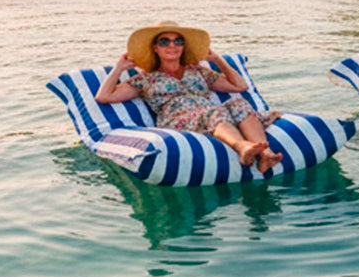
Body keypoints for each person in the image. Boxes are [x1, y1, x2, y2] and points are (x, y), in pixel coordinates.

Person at [95, 21, 283, 171]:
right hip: (178, 119)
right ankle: (242, 147)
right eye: (164, 41)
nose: (172, 45)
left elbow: (240, 86)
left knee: (239, 104)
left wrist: (217, 59)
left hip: (210, 112)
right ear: (155, 48)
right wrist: (118, 68)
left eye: (178, 41)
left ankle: (265, 154)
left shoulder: (198, 71)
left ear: (183, 47)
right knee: (212, 113)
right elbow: (104, 96)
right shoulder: (146, 79)